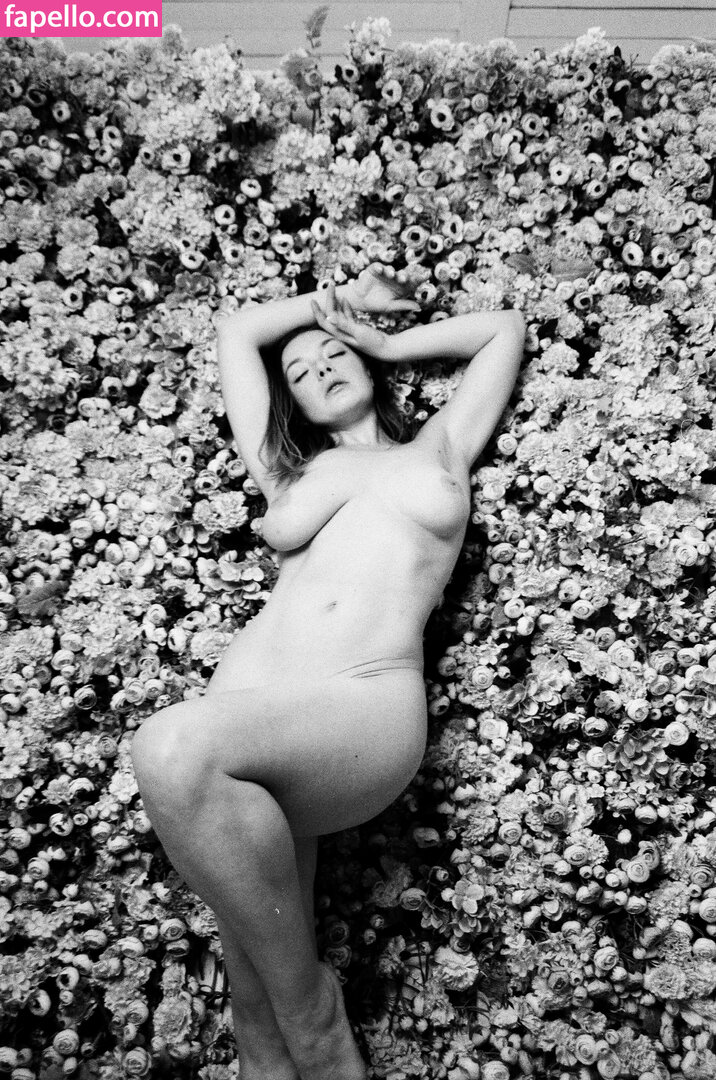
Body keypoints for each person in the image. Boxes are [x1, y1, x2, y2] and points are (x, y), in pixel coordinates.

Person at [130, 264, 526, 1080]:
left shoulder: (439, 445)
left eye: (332, 354)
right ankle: (274, 1039)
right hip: (254, 703)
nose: (319, 368)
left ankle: (314, 1012)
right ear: (296, 405)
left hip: (360, 705)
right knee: (253, 1002)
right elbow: (238, 331)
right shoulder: (290, 472)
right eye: (301, 371)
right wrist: (324, 306)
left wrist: (376, 333)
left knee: (171, 749)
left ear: (366, 365)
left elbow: (504, 330)